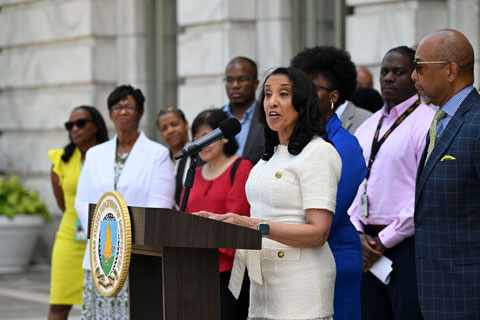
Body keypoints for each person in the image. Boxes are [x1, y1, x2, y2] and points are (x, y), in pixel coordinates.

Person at [197, 67, 342, 320]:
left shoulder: (318, 152)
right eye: (267, 94)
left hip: (300, 288)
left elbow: (318, 233)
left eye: (283, 94)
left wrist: (253, 225)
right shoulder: (268, 159)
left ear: (302, 103)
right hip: (264, 287)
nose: (272, 101)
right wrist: (223, 223)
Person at [348, 46, 434, 320]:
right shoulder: (368, 126)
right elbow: (351, 183)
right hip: (365, 245)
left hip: (406, 245)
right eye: (384, 72)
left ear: (416, 76)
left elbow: (425, 192)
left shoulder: (428, 123)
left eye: (398, 72)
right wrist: (358, 233)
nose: (388, 78)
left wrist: (385, 240)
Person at [75, 85, 175, 319]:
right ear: (110, 113)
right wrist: (103, 235)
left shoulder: (157, 154)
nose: (123, 112)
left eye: (129, 106)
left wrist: (123, 236)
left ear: (140, 112)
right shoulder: (95, 154)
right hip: (101, 257)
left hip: (138, 256)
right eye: (117, 107)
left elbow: (159, 205)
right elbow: (82, 201)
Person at [290, 45, 367, 320]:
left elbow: (324, 218)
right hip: (288, 261)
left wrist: (264, 228)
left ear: (333, 97)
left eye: (312, 87)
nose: (300, 95)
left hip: (330, 261)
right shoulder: (288, 142)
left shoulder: (346, 147)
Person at [412, 29, 480, 320]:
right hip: (436, 287)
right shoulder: (440, 120)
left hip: (467, 291)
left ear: (451, 70)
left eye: (420, 68)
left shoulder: (476, 123)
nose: (414, 77)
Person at [185, 108, 253, 320]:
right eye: (196, 138)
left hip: (229, 271)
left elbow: (235, 222)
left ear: (224, 138)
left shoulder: (241, 168)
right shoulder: (193, 173)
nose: (200, 143)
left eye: (207, 136)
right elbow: (184, 219)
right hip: (194, 271)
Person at [48, 106, 108, 320]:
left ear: (95, 126)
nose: (74, 129)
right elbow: (63, 203)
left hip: (105, 236)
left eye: (80, 123)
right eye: (70, 125)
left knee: (103, 304)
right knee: (58, 304)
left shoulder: (109, 155)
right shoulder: (60, 160)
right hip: (70, 236)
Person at [223, 56, 265, 164]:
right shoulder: (215, 118)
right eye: (230, 80)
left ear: (255, 84)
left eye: (242, 79)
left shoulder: (268, 117)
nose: (235, 85)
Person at [157, 106, 190, 207]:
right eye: (164, 128)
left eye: (174, 124)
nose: (170, 130)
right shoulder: (160, 159)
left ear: (186, 124)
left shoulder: (200, 155)